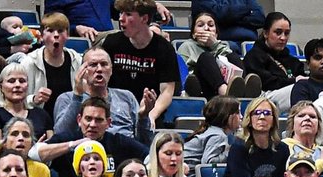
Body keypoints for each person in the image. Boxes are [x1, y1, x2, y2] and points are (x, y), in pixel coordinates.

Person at [102, 0, 178, 128]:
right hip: (114, 112)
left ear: (144, 18)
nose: (121, 19)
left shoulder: (164, 48)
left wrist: (151, 115)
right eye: (120, 13)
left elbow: (167, 91)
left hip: (150, 111)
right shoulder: (111, 43)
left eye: (128, 14)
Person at [227, 96, 289, 177]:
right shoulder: (239, 148)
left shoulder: (282, 149)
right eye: (257, 113)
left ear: (274, 120)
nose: (261, 117)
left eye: (267, 113)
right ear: (249, 119)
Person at [242, 12, 306, 113]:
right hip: (264, 99)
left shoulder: (292, 60)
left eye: (286, 33)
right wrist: (294, 81)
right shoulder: (254, 56)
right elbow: (266, 82)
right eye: (278, 32)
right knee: (302, 87)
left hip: (291, 96)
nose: (283, 38)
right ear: (266, 33)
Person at [177, 11, 248, 99]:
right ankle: (224, 92)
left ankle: (244, 90)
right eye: (200, 25)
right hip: (202, 88)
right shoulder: (187, 46)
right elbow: (184, 75)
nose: (206, 28)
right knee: (206, 57)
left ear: (216, 34)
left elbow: (231, 62)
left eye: (211, 25)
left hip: (227, 83)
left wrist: (214, 44)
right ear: (193, 33)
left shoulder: (220, 46)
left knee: (232, 56)